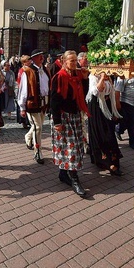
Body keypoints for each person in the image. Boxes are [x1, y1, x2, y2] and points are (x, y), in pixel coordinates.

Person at [50, 50, 89, 197]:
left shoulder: (77, 76)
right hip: (63, 117)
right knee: (70, 149)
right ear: (64, 61)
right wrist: (57, 122)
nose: (75, 63)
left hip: (75, 115)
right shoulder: (59, 77)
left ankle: (63, 174)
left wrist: (85, 79)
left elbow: (82, 94)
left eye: (75, 60)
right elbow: (54, 101)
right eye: (71, 61)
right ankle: (75, 179)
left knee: (75, 146)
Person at [86, 72, 123, 175]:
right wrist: (101, 78)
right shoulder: (93, 76)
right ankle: (106, 162)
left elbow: (112, 92)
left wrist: (114, 109)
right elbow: (95, 92)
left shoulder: (109, 76)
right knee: (100, 134)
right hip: (96, 107)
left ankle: (113, 161)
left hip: (107, 106)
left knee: (110, 133)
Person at [18, 49, 50, 164]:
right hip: (32, 103)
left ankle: (28, 137)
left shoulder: (45, 70)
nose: (42, 57)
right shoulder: (27, 71)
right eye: (39, 56)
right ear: (33, 59)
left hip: (43, 103)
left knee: (39, 126)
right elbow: (23, 90)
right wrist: (22, 107)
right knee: (38, 127)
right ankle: (37, 151)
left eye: (42, 55)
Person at [114, 75, 134, 150]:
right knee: (131, 123)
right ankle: (133, 142)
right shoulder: (123, 76)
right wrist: (117, 103)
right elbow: (117, 91)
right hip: (126, 102)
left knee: (130, 121)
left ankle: (118, 130)